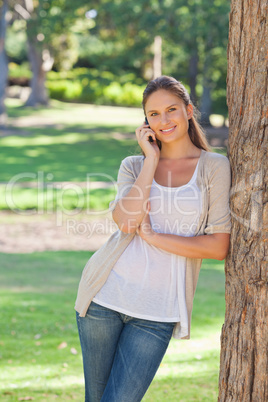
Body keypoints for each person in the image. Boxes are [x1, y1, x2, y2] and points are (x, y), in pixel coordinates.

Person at [75, 75, 231, 402]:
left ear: (189, 110)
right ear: (146, 122)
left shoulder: (214, 167)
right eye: (154, 114)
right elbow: (126, 223)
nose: (164, 120)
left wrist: (155, 237)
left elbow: (218, 246)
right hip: (105, 297)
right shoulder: (134, 165)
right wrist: (151, 160)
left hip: (157, 312)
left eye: (172, 109)